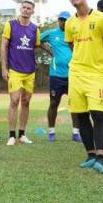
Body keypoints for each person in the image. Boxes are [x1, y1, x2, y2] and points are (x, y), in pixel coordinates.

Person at [65, 0, 103, 174]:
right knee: (80, 115)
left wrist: (98, 61)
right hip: (76, 73)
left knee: (99, 114)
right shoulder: (70, 23)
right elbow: (72, 46)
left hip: (95, 74)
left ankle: (101, 158)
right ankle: (90, 154)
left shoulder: (101, 18)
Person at [1, 0, 41, 145]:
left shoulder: (35, 29)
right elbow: (3, 47)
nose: (25, 10)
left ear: (32, 11)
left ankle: (22, 134)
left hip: (30, 71)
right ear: (20, 9)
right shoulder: (10, 25)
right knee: (14, 100)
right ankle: (11, 135)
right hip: (14, 70)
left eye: (28, 8)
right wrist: (4, 68)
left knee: (26, 102)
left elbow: (35, 47)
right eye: (23, 7)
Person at [40, 11, 80, 142]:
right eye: (61, 20)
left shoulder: (75, 33)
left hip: (73, 74)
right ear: (58, 21)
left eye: (66, 20)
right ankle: (51, 132)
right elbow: (37, 40)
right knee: (53, 103)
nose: (63, 22)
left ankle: (75, 133)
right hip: (56, 76)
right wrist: (48, 50)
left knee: (75, 105)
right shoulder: (52, 33)